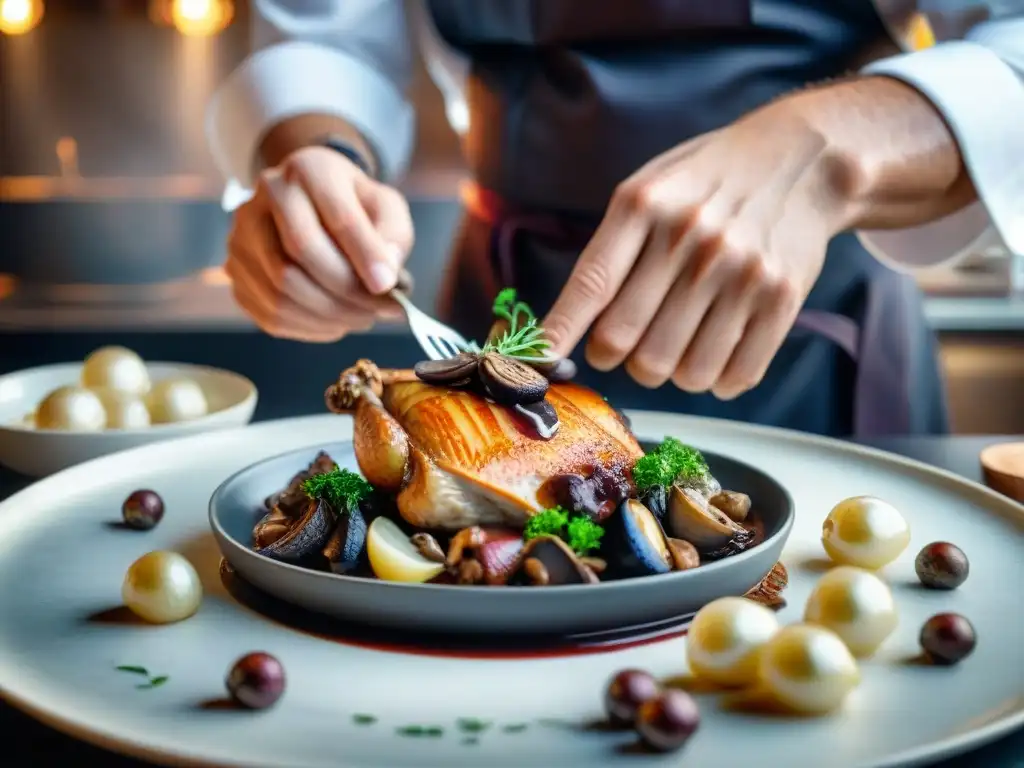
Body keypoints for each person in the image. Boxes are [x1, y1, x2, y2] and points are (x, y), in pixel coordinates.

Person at [206, 1, 1023, 437]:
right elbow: (332, 45)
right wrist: (320, 155)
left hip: (809, 345)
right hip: (503, 304)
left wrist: (820, 147)